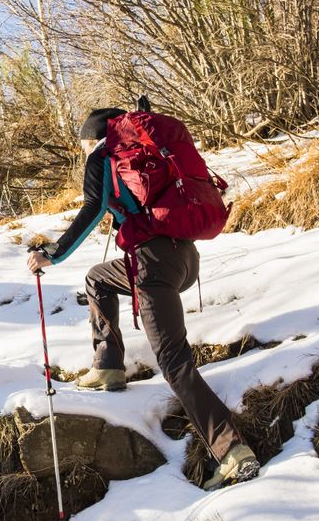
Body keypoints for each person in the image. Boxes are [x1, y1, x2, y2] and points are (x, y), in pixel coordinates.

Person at [26, 106, 259, 490]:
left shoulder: (104, 155)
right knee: (98, 278)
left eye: (84, 144)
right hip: (183, 258)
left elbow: (91, 209)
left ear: (94, 138)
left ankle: (233, 452)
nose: (84, 151)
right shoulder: (149, 148)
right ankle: (108, 365)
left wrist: (52, 253)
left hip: (153, 264)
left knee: (173, 361)